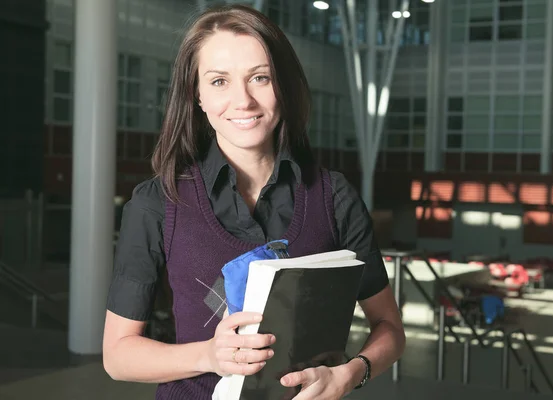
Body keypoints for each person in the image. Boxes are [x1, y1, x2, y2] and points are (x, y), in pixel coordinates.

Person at [103, 4, 405, 400]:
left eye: (259, 77)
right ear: (197, 94)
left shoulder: (334, 197)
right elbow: (118, 355)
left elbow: (390, 327)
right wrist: (209, 355)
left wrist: (350, 373)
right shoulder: (157, 203)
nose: (242, 100)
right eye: (218, 81)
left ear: (282, 86)